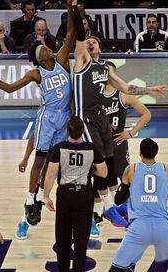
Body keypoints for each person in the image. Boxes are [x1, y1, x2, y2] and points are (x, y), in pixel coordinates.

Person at [0, 0, 76, 240]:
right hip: (47, 118)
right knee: (40, 161)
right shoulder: (37, 72)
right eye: (44, 48)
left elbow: (70, 33)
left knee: (56, 166)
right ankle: (29, 200)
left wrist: (70, 4)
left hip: (65, 120)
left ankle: (53, 203)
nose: (48, 47)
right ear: (40, 56)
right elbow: (12, 88)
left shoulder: (60, 61)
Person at [71, 0, 167, 231]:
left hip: (101, 119)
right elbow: (80, 35)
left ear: (100, 48)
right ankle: (107, 208)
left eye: (94, 42)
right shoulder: (81, 62)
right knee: (100, 166)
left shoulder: (105, 69)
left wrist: (149, 90)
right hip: (85, 120)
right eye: (88, 42)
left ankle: (111, 206)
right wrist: (74, 7)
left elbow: (126, 88)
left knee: (110, 167)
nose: (90, 43)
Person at [109, 138, 168, 272]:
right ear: (156, 153)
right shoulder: (167, 169)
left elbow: (118, 200)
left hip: (138, 227)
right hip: (162, 227)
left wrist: (129, 187)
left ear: (140, 153)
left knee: (116, 268)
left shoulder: (131, 169)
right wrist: (166, 186)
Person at [44, 116, 107, 272]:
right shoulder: (91, 148)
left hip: (65, 196)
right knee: (81, 240)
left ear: (67, 131)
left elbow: (50, 175)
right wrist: (87, 168)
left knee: (62, 238)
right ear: (83, 131)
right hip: (84, 196)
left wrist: (46, 196)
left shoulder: (59, 148)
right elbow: (103, 172)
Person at [95, 62, 151, 224]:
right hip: (99, 142)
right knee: (98, 179)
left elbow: (146, 114)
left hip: (118, 143)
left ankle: (125, 209)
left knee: (123, 178)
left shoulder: (123, 94)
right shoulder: (95, 95)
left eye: (110, 72)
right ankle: (98, 213)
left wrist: (131, 132)